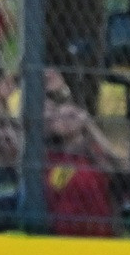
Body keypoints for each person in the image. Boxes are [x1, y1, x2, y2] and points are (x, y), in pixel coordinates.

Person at [44, 101, 117, 237]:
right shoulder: (52, 157)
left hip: (96, 231)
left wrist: (90, 125)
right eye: (60, 116)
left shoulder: (94, 152)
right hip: (62, 232)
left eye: (71, 116)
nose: (65, 120)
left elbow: (117, 164)